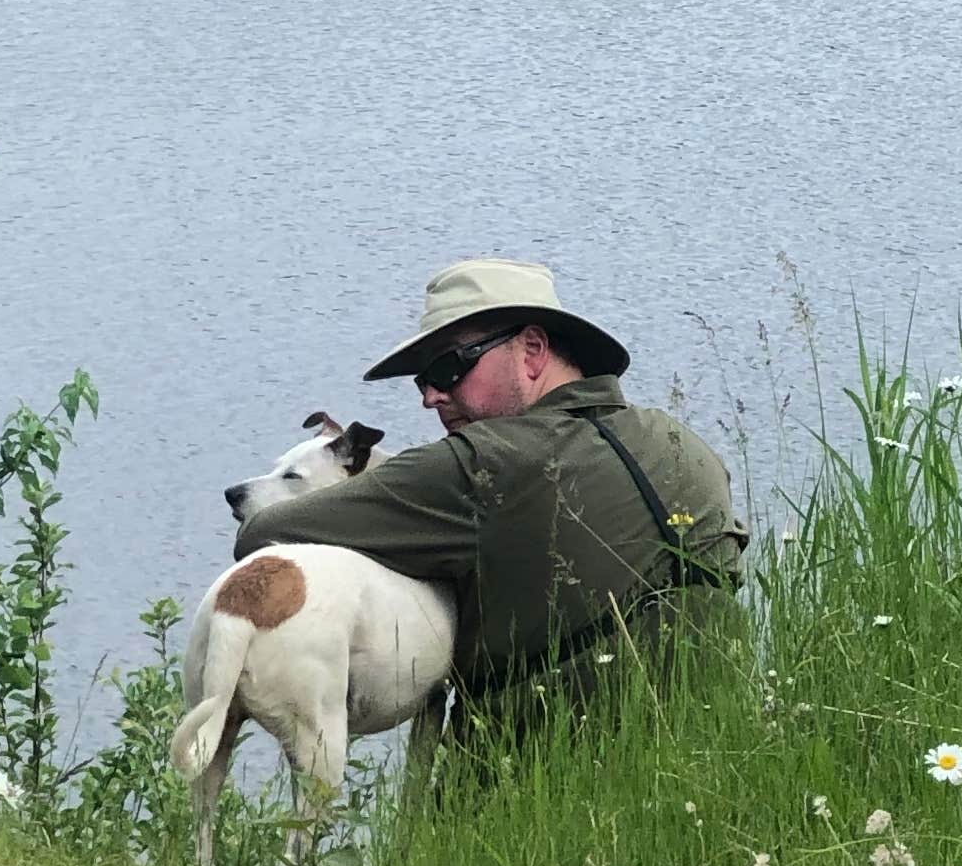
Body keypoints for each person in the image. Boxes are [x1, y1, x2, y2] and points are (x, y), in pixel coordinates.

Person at [232, 257, 743, 710]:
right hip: (720, 751)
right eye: (422, 380)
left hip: (537, 786)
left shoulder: (479, 464)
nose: (430, 397)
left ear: (534, 349)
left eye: (448, 367)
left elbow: (264, 531)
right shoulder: (691, 449)